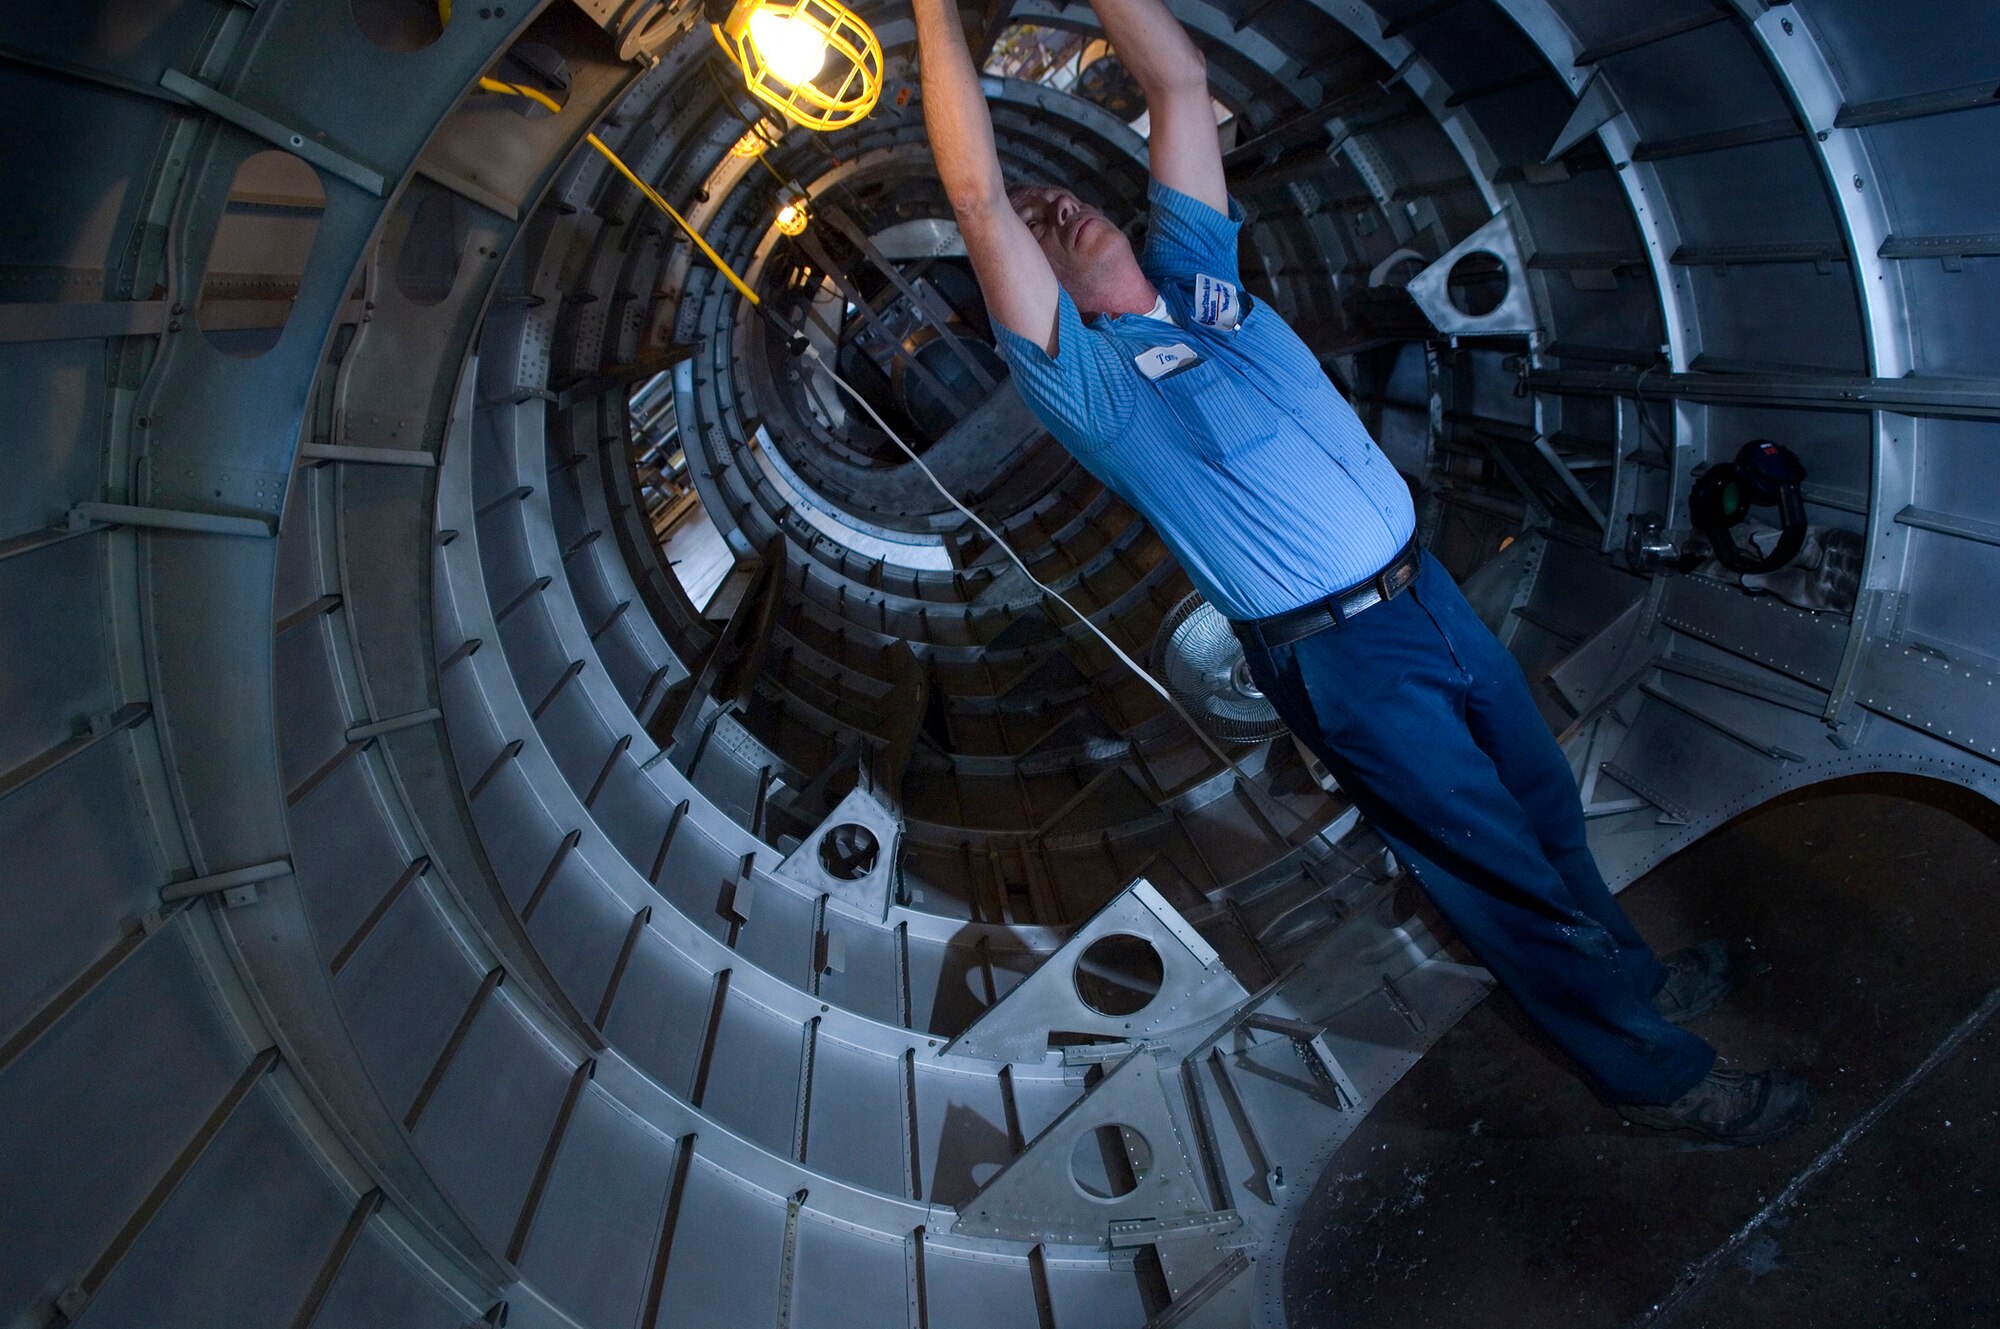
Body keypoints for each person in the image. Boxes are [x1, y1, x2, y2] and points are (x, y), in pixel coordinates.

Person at [910, 0, 1811, 1144]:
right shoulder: (1093, 386)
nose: (1059, 206)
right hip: (1343, 656)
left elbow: (1180, 83)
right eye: (1040, 223)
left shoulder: (1201, 286)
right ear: (1029, 292)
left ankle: (1630, 981)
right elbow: (977, 199)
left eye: (1065, 193)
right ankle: (1655, 1080)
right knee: (1496, 874)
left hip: (1420, 593)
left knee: (1541, 811)